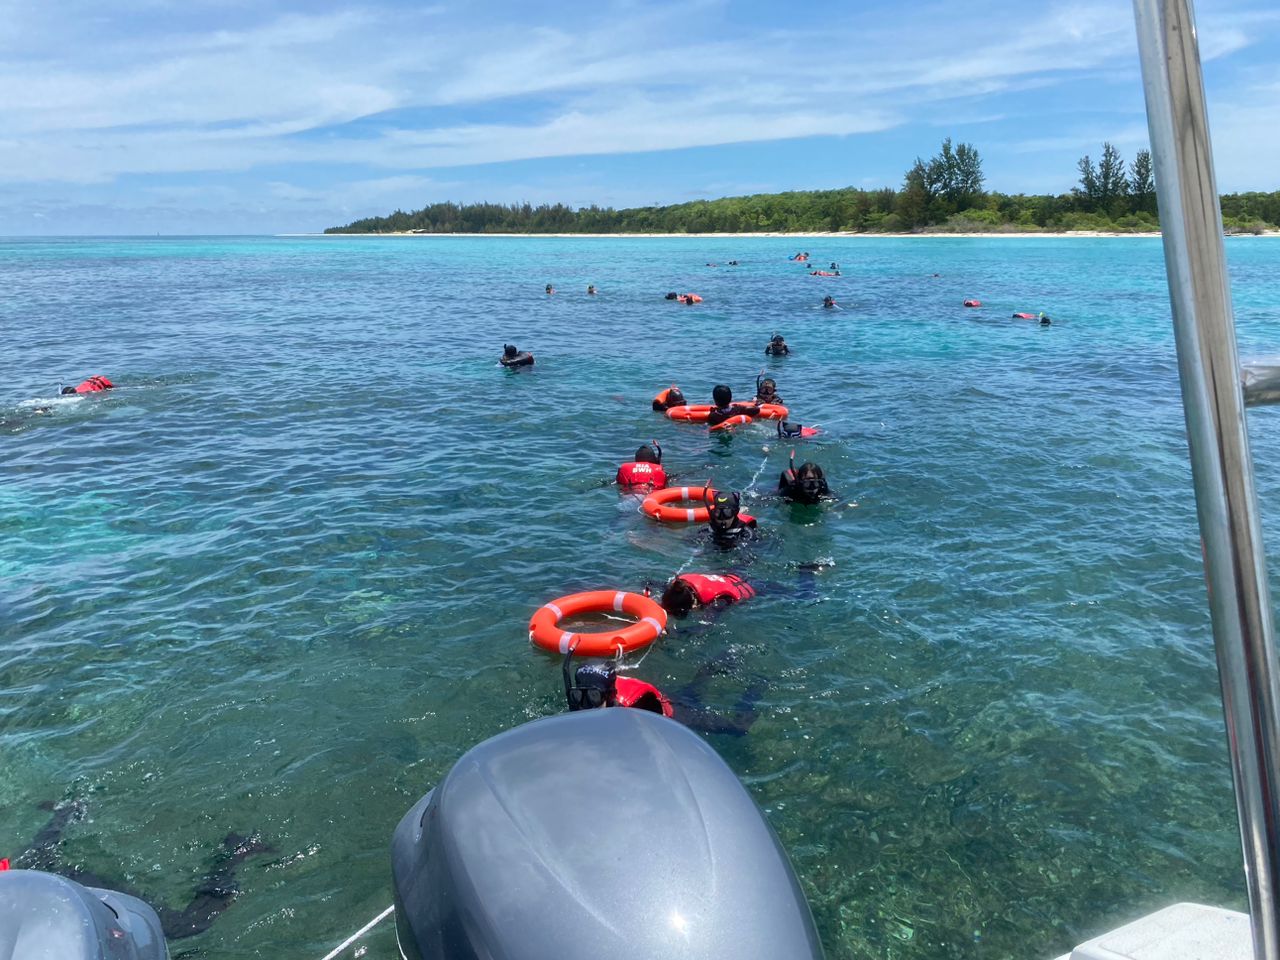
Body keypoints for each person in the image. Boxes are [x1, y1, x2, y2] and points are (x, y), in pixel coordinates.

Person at [11, 799, 269, 940]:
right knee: (38, 861)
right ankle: (67, 811)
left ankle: (239, 851)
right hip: (22, 881)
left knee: (186, 926)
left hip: (45, 892)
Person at [563, 652, 762, 737]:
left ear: (610, 695)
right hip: (657, 695)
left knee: (738, 729)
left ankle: (757, 687)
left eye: (594, 697)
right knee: (691, 693)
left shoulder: (629, 712)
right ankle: (711, 669)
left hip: (671, 713)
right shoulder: (584, 702)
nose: (585, 705)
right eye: (578, 695)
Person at [659, 572, 756, 619]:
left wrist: (672, 633)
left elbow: (702, 628)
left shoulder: (718, 602)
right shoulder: (677, 586)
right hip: (730, 574)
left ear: (693, 606)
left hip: (752, 587)